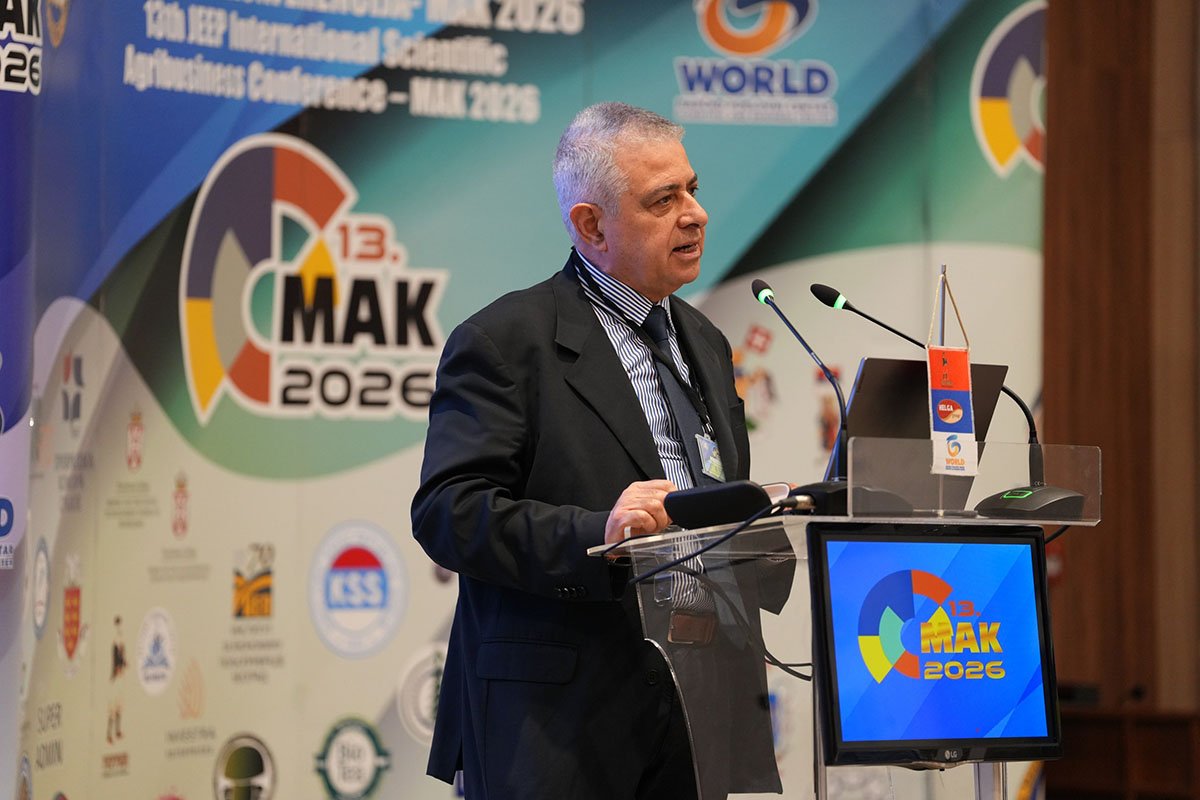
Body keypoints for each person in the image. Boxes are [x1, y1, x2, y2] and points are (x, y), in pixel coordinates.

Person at [412, 102, 782, 799]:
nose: (696, 214)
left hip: (696, 707)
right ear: (591, 226)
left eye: (693, 189)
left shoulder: (704, 341)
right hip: (558, 722)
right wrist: (597, 534)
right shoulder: (506, 341)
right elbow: (448, 512)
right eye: (664, 200)